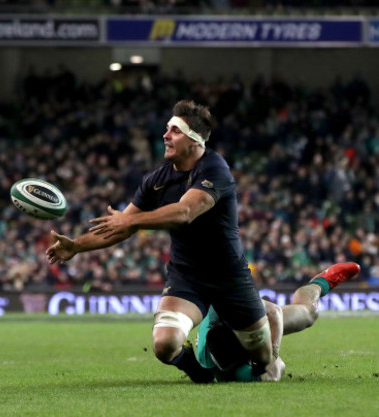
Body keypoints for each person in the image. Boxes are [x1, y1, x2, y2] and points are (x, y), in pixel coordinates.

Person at [47, 100, 273, 383]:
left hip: (230, 276)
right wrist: (76, 246)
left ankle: (264, 342)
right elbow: (120, 227)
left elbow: (184, 212)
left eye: (175, 131)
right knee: (164, 344)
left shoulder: (215, 169)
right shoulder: (156, 179)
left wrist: (129, 221)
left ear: (194, 140)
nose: (165, 135)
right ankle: (199, 373)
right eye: (167, 128)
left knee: (262, 358)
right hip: (187, 275)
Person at [195, 262, 361, 382]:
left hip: (247, 318)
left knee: (309, 313)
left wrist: (273, 351)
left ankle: (321, 282)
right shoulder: (232, 372)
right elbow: (274, 374)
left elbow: (274, 311)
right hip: (239, 334)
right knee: (308, 313)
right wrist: (270, 362)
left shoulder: (228, 304)